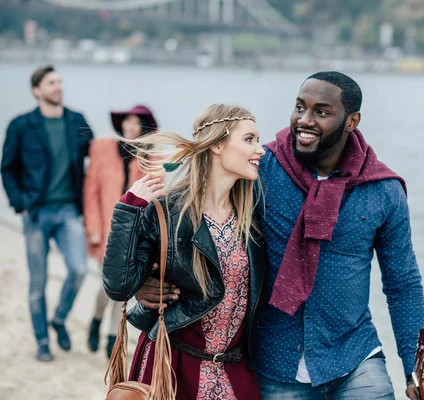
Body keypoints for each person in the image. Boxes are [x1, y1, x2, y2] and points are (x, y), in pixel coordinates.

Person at [136, 72, 424, 399]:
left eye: (321, 112)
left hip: (353, 356)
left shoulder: (382, 190)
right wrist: (142, 281)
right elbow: (190, 215)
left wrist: (417, 371)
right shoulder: (261, 169)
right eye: (299, 107)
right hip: (275, 361)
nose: (304, 120)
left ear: (352, 121)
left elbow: (402, 283)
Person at [102, 104, 267, 400]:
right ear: (217, 144)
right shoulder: (166, 212)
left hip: (235, 369)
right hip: (171, 366)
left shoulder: (253, 214)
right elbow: (119, 285)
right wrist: (128, 209)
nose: (260, 150)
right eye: (249, 139)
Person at [1, 65, 94, 362]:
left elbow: (100, 153)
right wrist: (21, 204)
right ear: (36, 90)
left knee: (79, 269)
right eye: (51, 83)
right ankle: (42, 340)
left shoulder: (77, 121)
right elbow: (7, 167)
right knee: (38, 282)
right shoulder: (21, 125)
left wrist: (137, 145)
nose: (59, 86)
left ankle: (60, 319)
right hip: (36, 213)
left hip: (69, 210)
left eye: (60, 82)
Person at [84, 104, 159, 359]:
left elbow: (157, 197)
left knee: (122, 291)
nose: (130, 126)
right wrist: (92, 229)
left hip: (135, 235)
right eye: (126, 121)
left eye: (136, 123)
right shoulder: (102, 149)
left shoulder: (151, 156)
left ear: (144, 128)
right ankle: (97, 321)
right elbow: (91, 192)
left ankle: (112, 336)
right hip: (105, 231)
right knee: (109, 287)